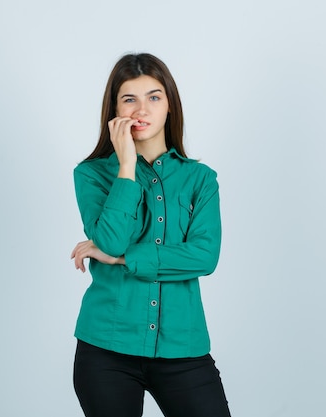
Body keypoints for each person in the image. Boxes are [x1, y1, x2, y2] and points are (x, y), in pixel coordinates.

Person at [70, 53, 231, 417]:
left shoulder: (200, 180)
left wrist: (126, 258)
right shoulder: (92, 175)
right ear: (114, 109)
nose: (142, 109)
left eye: (154, 97)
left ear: (170, 106)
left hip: (183, 349)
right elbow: (110, 239)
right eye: (130, 99)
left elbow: (204, 256)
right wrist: (126, 166)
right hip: (107, 348)